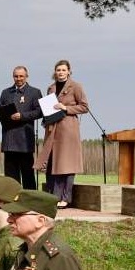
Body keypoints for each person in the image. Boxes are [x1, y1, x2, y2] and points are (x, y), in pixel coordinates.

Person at [35, 60, 89, 209]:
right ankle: (53, 197)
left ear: (69, 71)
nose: (60, 72)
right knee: (52, 162)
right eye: (58, 70)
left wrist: (65, 108)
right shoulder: (51, 88)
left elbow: (84, 107)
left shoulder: (76, 86)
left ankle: (65, 197)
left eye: (63, 70)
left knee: (67, 164)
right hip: (52, 129)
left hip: (68, 130)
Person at [0, 66, 43, 189]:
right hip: (9, 139)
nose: (18, 79)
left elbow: (40, 112)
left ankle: (30, 197)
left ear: (26, 76)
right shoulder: (5, 92)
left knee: (28, 175)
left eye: (21, 76)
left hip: (25, 141)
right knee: (10, 177)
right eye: (16, 76)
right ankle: (12, 198)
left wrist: (22, 116)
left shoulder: (35, 92)